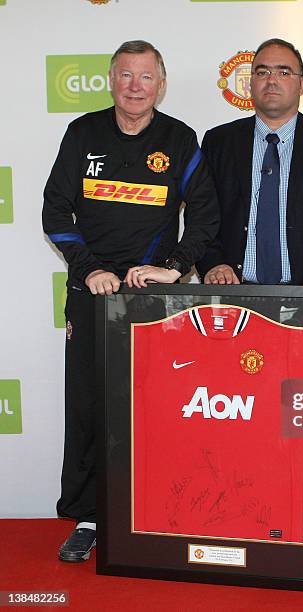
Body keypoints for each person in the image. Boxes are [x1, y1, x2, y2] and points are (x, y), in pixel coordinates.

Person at [42, 40, 219, 562]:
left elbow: (206, 216)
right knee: (91, 408)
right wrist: (91, 268)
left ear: (160, 85)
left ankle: (161, 510)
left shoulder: (180, 139)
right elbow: (56, 214)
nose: (135, 87)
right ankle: (89, 516)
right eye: (125, 76)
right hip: (92, 296)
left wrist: (174, 267)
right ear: (111, 80)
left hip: (151, 303)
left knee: (159, 409)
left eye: (146, 77)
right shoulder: (83, 133)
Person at [196, 38, 303, 289]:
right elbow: (202, 215)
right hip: (233, 295)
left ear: (301, 85)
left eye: (284, 72)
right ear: (250, 83)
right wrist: (214, 263)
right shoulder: (219, 141)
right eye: (262, 72)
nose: (271, 80)